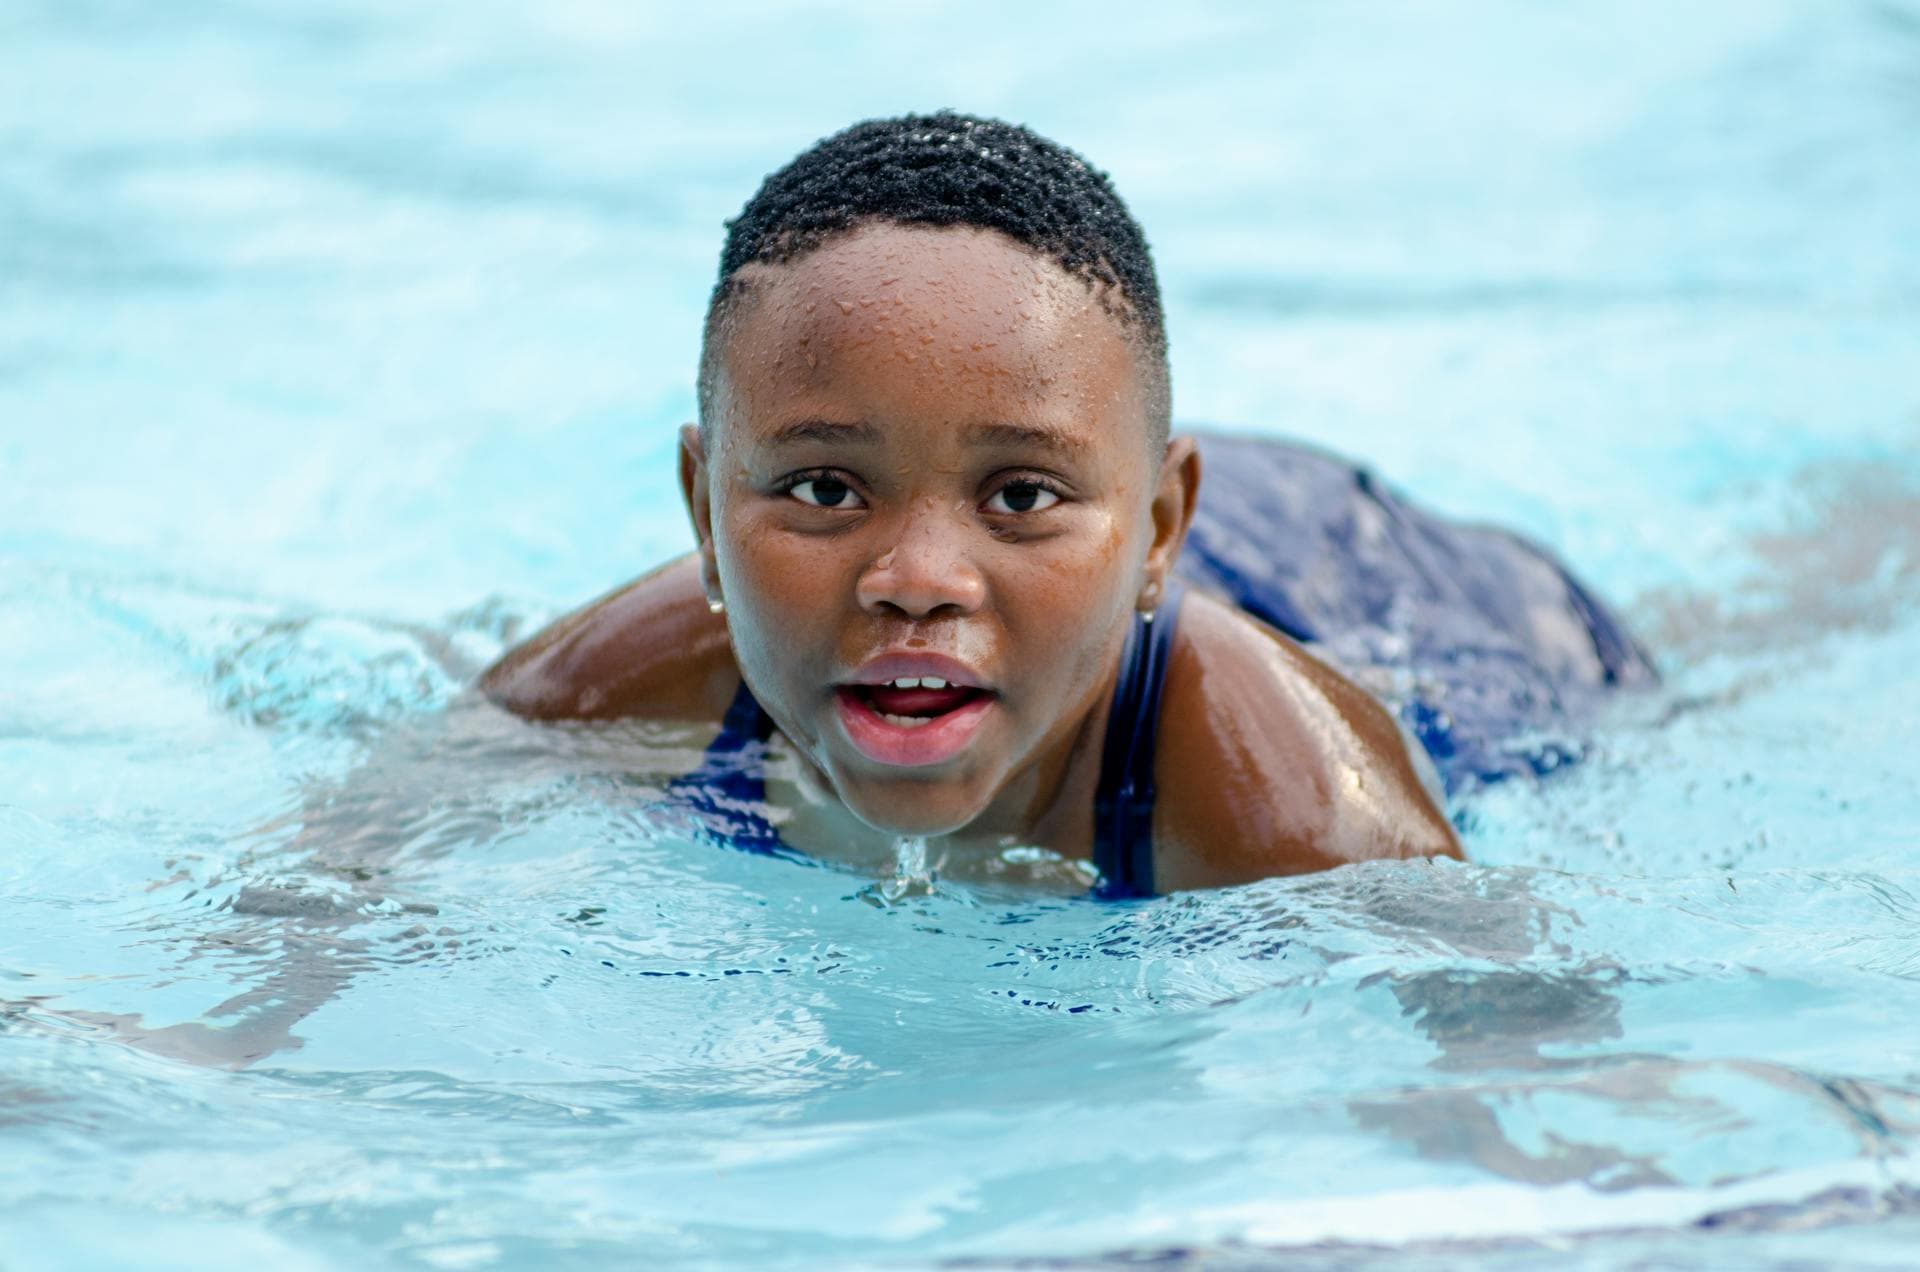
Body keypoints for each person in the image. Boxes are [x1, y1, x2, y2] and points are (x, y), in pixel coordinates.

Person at [481, 113, 1652, 896]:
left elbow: (1515, 1070)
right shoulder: (626, 686)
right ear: (704, 514)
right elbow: (340, 888)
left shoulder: (1284, 795)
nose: (917, 577)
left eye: (1014, 494)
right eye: (827, 488)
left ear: (1157, 530)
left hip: (1403, 600)